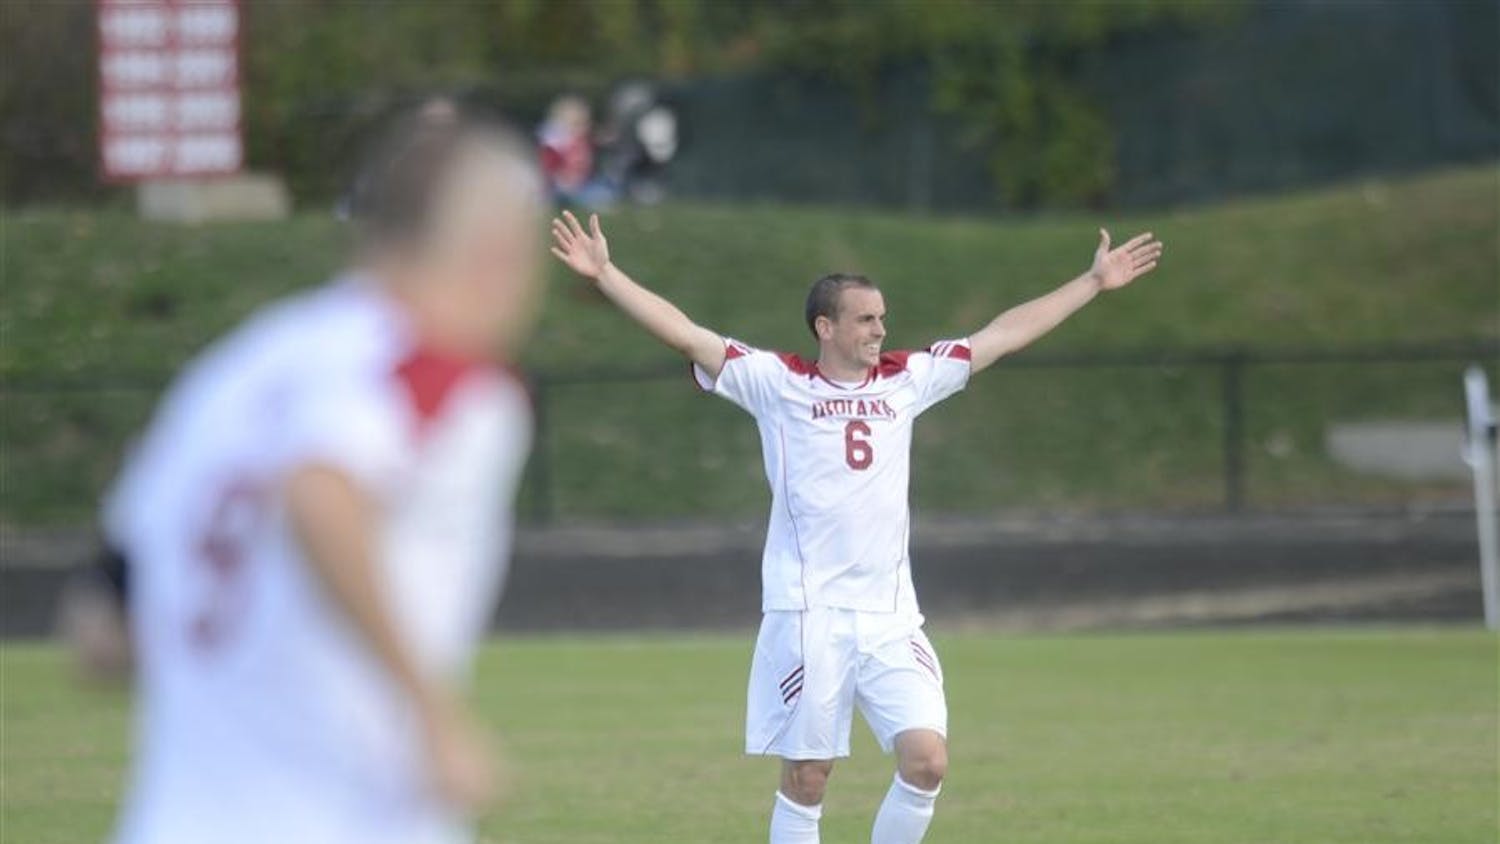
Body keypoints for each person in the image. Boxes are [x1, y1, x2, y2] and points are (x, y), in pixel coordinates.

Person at [548, 210, 1163, 844]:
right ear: (826, 326)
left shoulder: (907, 378)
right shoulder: (775, 382)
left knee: (927, 761)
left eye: (882, 317)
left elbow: (1001, 335)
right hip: (811, 614)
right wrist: (606, 275)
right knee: (809, 777)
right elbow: (685, 335)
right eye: (866, 318)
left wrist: (1091, 282)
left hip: (892, 616)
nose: (880, 329)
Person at [63, 109, 548, 844]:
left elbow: (101, 634)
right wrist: (432, 712)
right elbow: (320, 488)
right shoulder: (446, 377)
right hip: (341, 818)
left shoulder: (238, 365)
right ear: (494, 252)